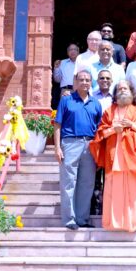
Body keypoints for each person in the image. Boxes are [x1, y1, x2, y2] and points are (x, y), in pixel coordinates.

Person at [89, 81, 136, 231]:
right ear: (115, 93)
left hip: (131, 158)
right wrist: (112, 130)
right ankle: (113, 223)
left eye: (125, 88)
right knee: (113, 192)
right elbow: (100, 132)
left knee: (132, 191)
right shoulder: (109, 111)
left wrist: (132, 125)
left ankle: (132, 224)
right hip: (114, 156)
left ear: (131, 91)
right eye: (119, 89)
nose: (122, 91)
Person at [54, 69, 102, 229]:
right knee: (69, 183)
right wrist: (57, 148)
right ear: (76, 82)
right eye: (81, 79)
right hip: (70, 143)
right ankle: (69, 220)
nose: (84, 82)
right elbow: (57, 125)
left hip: (89, 145)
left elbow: (99, 128)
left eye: (87, 80)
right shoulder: (67, 100)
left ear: (91, 83)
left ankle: (82, 219)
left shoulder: (95, 103)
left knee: (87, 183)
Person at [52, 43, 80, 110]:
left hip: (79, 91)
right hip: (65, 90)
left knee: (78, 111)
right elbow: (57, 80)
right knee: (65, 112)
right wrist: (56, 68)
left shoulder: (83, 62)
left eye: (74, 49)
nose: (72, 51)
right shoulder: (62, 63)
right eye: (70, 50)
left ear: (78, 52)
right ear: (67, 52)